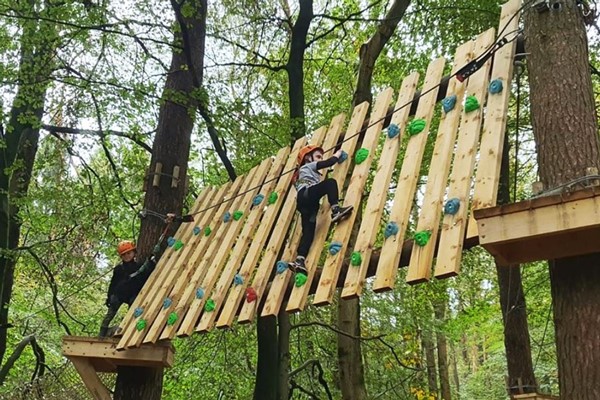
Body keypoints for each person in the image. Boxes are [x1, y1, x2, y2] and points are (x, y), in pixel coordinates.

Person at [289, 145, 353, 275]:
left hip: (306, 204)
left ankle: (300, 260)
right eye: (318, 156)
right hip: (307, 195)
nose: (320, 159)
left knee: (308, 232)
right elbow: (329, 162)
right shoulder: (307, 166)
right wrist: (338, 154)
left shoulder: (303, 173)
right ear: (307, 158)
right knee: (330, 183)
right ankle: (336, 210)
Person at [98, 240, 157, 337]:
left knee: (133, 311)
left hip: (132, 295)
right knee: (111, 313)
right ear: (121, 257)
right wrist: (109, 296)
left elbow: (146, 276)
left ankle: (126, 328)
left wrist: (150, 262)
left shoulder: (139, 267)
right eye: (124, 255)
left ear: (134, 253)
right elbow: (113, 283)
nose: (127, 256)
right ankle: (102, 331)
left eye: (129, 253)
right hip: (119, 294)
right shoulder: (119, 269)